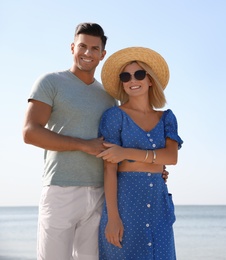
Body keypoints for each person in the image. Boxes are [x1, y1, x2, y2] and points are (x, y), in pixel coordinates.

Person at [22, 23, 169, 259]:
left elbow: (118, 148)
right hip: (61, 189)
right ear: (72, 47)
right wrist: (83, 144)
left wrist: (152, 168)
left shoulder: (109, 98)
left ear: (103, 54)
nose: (87, 53)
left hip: (101, 194)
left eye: (94, 48)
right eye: (82, 46)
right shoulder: (50, 82)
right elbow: (30, 133)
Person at [96, 47, 183, 260]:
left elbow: (171, 158)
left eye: (139, 74)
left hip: (159, 204)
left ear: (150, 80)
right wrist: (113, 218)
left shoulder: (167, 118)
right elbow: (109, 168)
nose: (132, 80)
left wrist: (126, 152)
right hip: (126, 204)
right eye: (126, 76)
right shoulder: (114, 116)